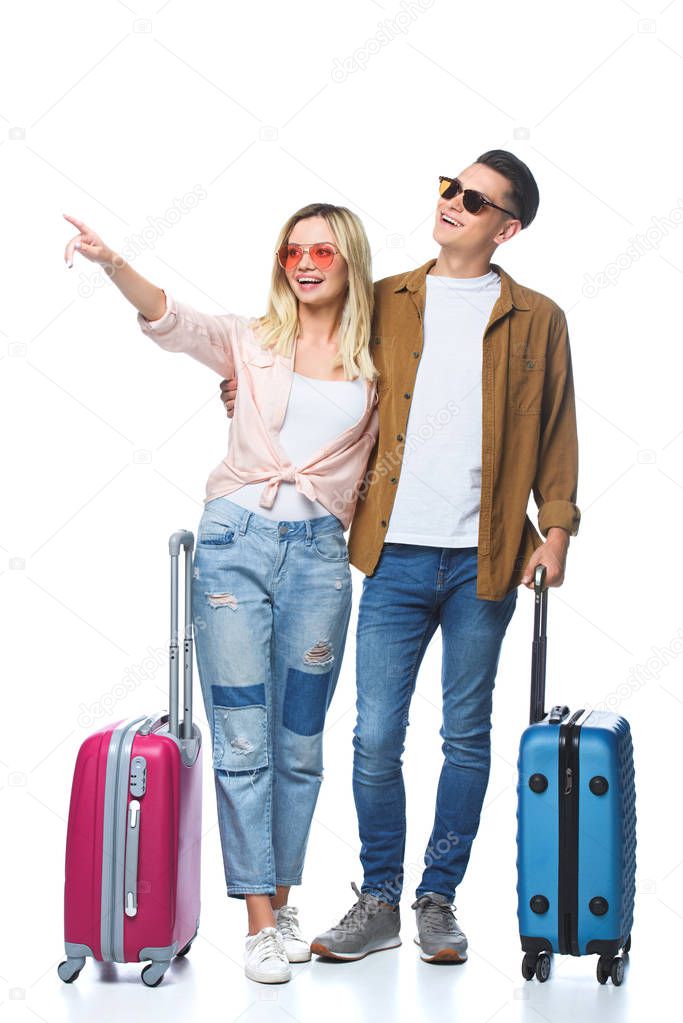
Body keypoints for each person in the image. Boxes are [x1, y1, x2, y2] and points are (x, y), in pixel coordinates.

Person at [220, 151, 580, 965]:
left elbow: (556, 428)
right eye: (449, 187)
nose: (452, 202)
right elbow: (310, 353)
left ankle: (436, 898)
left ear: (507, 227)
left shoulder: (539, 319)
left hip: (486, 558)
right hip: (391, 554)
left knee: (463, 735)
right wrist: (244, 388)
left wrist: (553, 531)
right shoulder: (386, 301)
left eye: (475, 199)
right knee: (374, 737)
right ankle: (378, 896)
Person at [62, 202, 379, 984]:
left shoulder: (381, 357)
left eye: (322, 253)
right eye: (291, 252)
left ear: (349, 263)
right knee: (241, 741)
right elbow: (173, 320)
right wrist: (112, 261)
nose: (304, 264)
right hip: (235, 545)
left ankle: (281, 893)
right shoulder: (251, 338)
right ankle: (260, 923)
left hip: (319, 557)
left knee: (299, 745)